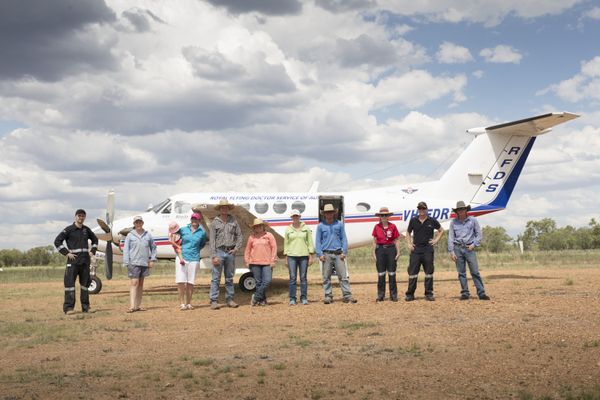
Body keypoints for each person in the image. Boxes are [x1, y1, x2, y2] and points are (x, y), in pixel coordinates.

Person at [54, 209, 99, 314]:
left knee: (85, 285)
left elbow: (95, 240)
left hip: (85, 261)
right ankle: (69, 308)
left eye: (83, 216)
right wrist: (66, 253)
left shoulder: (86, 230)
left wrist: (93, 250)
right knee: (69, 285)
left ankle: (86, 308)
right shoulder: (68, 230)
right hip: (73, 262)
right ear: (75, 217)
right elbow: (57, 241)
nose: (81, 218)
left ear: (85, 217)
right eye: (79, 216)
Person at [448, 201, 491, 301]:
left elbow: (479, 234)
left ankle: (481, 293)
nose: (461, 211)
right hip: (457, 248)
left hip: (469, 248)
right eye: (459, 209)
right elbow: (451, 237)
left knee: (475, 271)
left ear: (466, 210)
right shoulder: (453, 222)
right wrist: (451, 251)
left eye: (462, 209)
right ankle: (465, 293)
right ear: (457, 211)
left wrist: (474, 244)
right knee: (461, 273)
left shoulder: (473, 220)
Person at [315, 204, 357, 304]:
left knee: (343, 276)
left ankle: (347, 295)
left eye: (331, 212)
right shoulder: (320, 226)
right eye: (327, 213)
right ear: (324, 214)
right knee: (326, 277)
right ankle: (328, 296)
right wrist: (319, 254)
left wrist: (344, 252)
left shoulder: (339, 224)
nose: (329, 214)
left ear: (333, 213)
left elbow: (344, 239)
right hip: (326, 254)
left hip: (338, 254)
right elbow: (318, 241)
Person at [405, 201, 444, 301]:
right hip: (416, 250)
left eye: (423, 208)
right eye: (420, 208)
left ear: (426, 209)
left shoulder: (432, 220)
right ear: (418, 210)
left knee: (429, 273)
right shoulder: (413, 220)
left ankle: (429, 294)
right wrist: (409, 243)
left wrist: (436, 240)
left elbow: (441, 230)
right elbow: (408, 232)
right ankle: (410, 294)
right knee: (413, 273)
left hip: (428, 250)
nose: (421, 210)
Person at [209, 199, 242, 310]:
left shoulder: (234, 221)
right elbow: (212, 240)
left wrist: (236, 249)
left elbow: (239, 236)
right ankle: (214, 301)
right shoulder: (214, 222)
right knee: (215, 278)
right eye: (222, 207)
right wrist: (214, 256)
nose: (224, 209)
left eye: (226, 207)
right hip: (219, 251)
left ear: (228, 209)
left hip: (230, 252)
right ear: (220, 209)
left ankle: (230, 300)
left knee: (229, 277)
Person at [123, 216, 157, 313]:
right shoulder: (130, 235)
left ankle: (137, 306)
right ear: (134, 224)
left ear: (142, 223)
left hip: (144, 263)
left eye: (140, 222)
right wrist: (126, 262)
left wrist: (152, 259)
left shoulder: (148, 235)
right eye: (136, 222)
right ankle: (132, 306)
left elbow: (153, 247)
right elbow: (126, 249)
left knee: (141, 284)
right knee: (134, 283)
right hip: (133, 262)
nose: (138, 224)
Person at [175, 213, 207, 310]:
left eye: (196, 219)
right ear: (190, 220)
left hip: (194, 258)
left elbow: (202, 244)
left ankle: (188, 303)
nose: (194, 221)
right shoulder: (183, 229)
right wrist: (178, 248)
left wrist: (195, 250)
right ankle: (182, 304)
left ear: (199, 221)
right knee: (181, 281)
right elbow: (174, 237)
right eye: (193, 219)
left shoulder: (202, 233)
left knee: (190, 282)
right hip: (182, 257)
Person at [283, 209, 315, 305]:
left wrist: (311, 255)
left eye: (297, 215)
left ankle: (304, 297)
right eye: (294, 216)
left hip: (303, 255)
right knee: (292, 278)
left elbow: (310, 242)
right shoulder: (288, 229)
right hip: (291, 256)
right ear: (291, 217)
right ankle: (292, 298)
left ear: (299, 216)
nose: (295, 217)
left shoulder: (306, 228)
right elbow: (286, 244)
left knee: (303, 278)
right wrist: (286, 257)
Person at [244, 219, 278, 306]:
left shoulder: (269, 235)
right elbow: (247, 250)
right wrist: (247, 261)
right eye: (256, 226)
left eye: (260, 226)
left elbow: (274, 248)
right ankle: (262, 300)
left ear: (263, 227)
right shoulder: (251, 237)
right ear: (254, 228)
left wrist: (273, 260)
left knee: (267, 281)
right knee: (258, 283)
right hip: (254, 263)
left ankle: (255, 297)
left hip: (267, 263)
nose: (258, 227)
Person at [371, 207, 401, 302]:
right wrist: (373, 252)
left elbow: (396, 240)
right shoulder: (376, 227)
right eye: (382, 215)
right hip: (380, 250)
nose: (384, 217)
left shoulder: (393, 226)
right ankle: (380, 295)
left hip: (391, 250)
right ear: (379, 216)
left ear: (388, 216)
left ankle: (393, 295)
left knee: (392, 273)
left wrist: (398, 252)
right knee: (381, 274)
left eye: (385, 215)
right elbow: (374, 241)